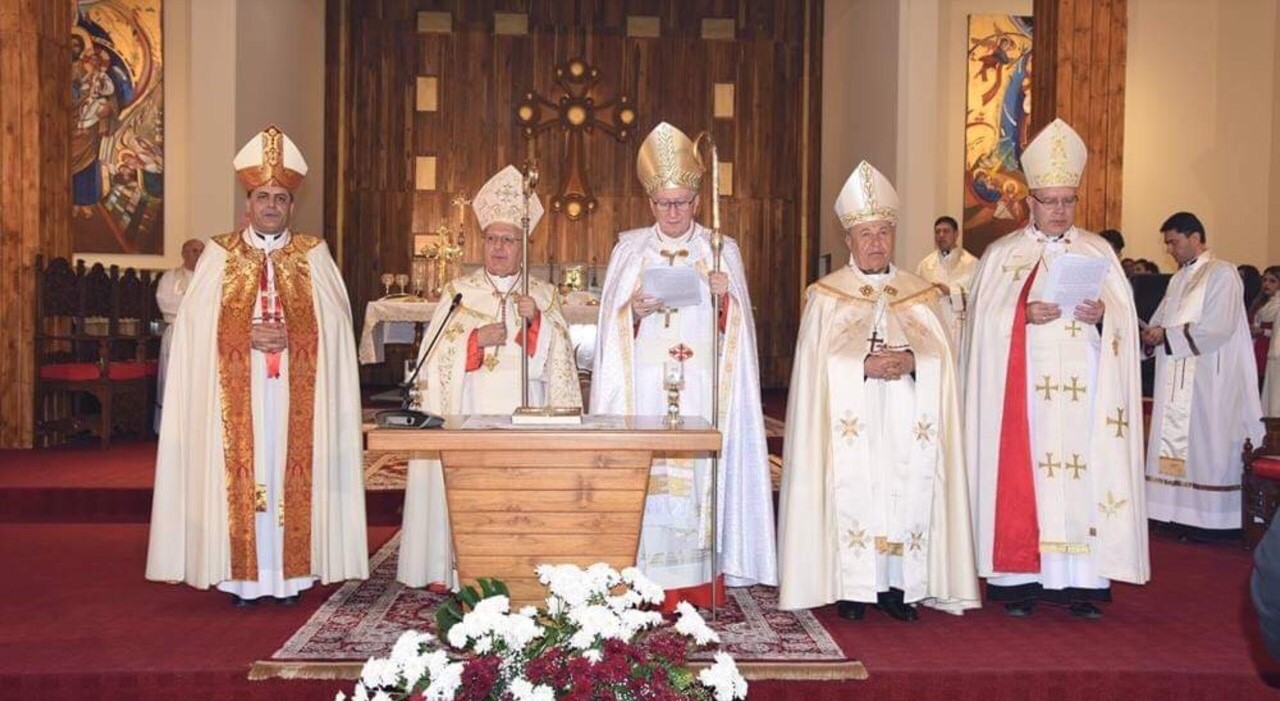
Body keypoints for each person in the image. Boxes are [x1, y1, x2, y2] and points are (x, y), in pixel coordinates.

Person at [145, 126, 368, 605]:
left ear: (292, 206)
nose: (271, 205)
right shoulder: (220, 254)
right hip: (237, 392)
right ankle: (241, 579)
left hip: (294, 392)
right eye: (263, 196)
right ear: (248, 203)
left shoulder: (314, 255)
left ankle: (292, 577)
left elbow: (336, 325)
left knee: (290, 471)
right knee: (242, 473)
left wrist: (297, 336)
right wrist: (242, 335)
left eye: (280, 198)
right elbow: (192, 327)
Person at [963, 118, 1148, 619]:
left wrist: (1103, 315)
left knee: (1084, 476)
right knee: (1030, 477)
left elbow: (1125, 320)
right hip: (1025, 393)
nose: (1061, 210)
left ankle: (1081, 582)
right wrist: (1021, 314)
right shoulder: (1002, 255)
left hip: (1086, 393)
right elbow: (978, 327)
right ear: (1031, 202)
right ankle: (1020, 580)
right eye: (1051, 202)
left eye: (1069, 201)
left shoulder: (1097, 250)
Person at [778, 162, 980, 621]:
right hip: (853, 416)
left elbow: (944, 359)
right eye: (866, 234)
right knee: (860, 488)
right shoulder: (826, 296)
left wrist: (913, 362)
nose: (876, 243)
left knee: (902, 488)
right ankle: (854, 587)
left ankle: (898, 585)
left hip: (908, 416)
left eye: (884, 233)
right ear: (848, 239)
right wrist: (861, 365)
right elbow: (812, 371)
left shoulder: (919, 294)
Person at [591, 122, 777, 604]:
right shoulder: (630, 250)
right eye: (663, 203)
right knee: (648, 473)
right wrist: (632, 312)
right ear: (649, 202)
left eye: (681, 203)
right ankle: (641, 576)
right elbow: (610, 331)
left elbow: (739, 339)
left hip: (699, 389)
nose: (672, 213)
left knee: (696, 477)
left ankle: (697, 579)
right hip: (645, 391)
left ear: (696, 201)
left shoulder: (720, 249)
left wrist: (725, 298)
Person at [397, 165, 582, 589]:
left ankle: (523, 564)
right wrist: (474, 341)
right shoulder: (458, 293)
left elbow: (561, 368)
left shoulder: (543, 294)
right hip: (471, 412)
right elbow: (432, 361)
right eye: (492, 238)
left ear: (523, 245)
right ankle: (458, 567)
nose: (499, 247)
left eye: (508, 240)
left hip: (525, 419)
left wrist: (538, 323)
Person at [1141, 212, 1263, 537]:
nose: (1170, 250)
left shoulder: (1223, 273)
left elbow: (1218, 327)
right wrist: (1151, 334)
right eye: (1167, 244)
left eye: (1174, 242)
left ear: (1194, 237)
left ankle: (1210, 520)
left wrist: (1166, 335)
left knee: (1207, 443)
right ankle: (1172, 511)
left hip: (1210, 377)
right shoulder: (1178, 279)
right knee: (1176, 443)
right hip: (1176, 378)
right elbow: (1162, 320)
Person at [153, 238, 205, 432]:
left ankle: (199, 426)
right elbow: (166, 303)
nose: (198, 255)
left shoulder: (209, 278)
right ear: (184, 253)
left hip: (204, 335)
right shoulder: (170, 277)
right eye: (194, 250)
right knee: (175, 378)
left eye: (201, 251)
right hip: (178, 332)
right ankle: (173, 427)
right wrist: (194, 310)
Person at [915, 215, 979, 343]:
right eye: (937, 232)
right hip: (933, 328)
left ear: (956, 234)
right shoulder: (925, 265)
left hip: (960, 328)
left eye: (946, 231)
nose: (941, 235)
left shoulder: (972, 263)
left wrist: (950, 292)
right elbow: (916, 297)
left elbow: (979, 299)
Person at [1255, 266, 1280, 411]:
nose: (1266, 284)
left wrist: (1262, 331)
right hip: (1271, 353)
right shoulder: (1269, 302)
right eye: (1264, 280)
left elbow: (1267, 316)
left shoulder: (1276, 303)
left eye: (1272, 281)